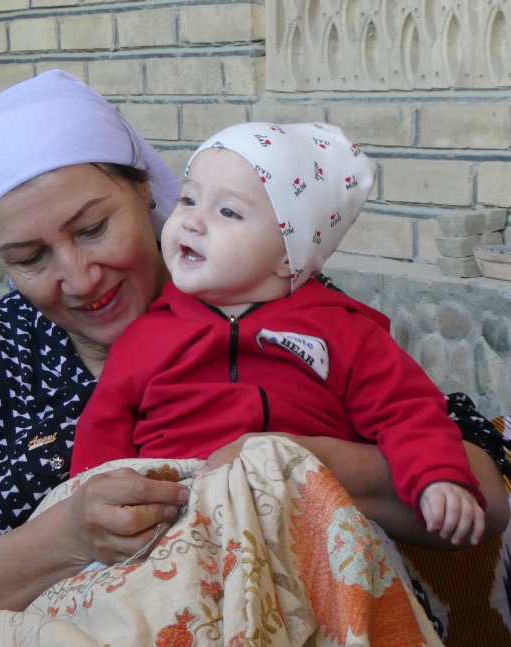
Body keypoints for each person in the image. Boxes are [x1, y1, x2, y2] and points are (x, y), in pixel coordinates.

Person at [0, 71, 508, 647]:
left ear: (147, 191)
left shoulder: (270, 296)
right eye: (30, 258)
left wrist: (300, 463)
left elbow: (480, 487)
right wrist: (70, 535)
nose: (79, 277)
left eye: (94, 229)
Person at [70, 121, 494, 548]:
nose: (193, 222)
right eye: (189, 199)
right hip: (176, 524)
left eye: (228, 211)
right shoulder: (146, 335)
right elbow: (102, 429)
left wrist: (437, 478)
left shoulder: (343, 330)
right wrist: (85, 508)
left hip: (309, 525)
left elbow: (406, 409)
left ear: (287, 256)